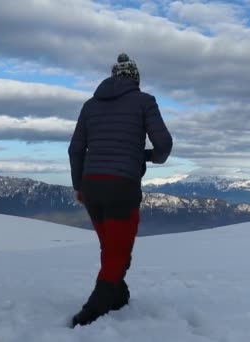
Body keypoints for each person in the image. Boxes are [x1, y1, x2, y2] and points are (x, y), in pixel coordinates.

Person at [68, 53, 173, 327]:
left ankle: (118, 295)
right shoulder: (144, 102)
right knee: (118, 250)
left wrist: (78, 186)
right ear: (135, 79)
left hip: (91, 185)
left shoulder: (90, 105)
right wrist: (146, 156)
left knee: (111, 247)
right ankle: (92, 311)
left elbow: (75, 149)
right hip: (122, 187)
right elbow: (164, 144)